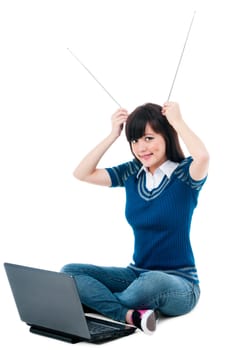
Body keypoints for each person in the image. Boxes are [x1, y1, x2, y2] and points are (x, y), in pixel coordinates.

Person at [61, 101, 209, 335]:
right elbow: (82, 173)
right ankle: (128, 314)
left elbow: (202, 157)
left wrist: (178, 121)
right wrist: (112, 135)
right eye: (134, 140)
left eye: (148, 138)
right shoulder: (132, 173)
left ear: (167, 136)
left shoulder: (184, 174)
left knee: (151, 282)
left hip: (180, 284)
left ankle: (93, 303)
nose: (141, 148)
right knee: (69, 271)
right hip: (135, 274)